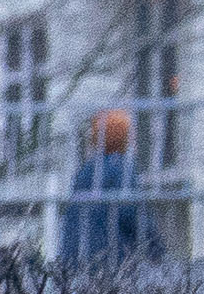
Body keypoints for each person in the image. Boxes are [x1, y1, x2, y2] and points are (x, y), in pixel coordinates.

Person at [58, 106, 164, 265]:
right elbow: (133, 214)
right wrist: (158, 249)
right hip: (109, 259)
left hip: (75, 257)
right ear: (125, 138)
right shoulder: (122, 168)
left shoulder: (86, 170)